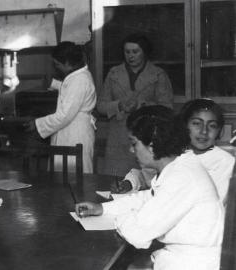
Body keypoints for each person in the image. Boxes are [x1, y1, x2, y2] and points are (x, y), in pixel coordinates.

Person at [76, 105, 224, 270]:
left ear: (152, 143)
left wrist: (123, 218)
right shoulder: (180, 165)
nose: (131, 150)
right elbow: (147, 198)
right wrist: (102, 209)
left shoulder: (182, 177)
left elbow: (137, 235)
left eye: (134, 143)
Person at [113, 99, 235, 205]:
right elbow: (148, 175)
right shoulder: (178, 152)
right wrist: (130, 182)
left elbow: (213, 202)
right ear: (183, 126)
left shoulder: (225, 162)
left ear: (219, 131)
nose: (204, 131)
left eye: (212, 126)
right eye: (196, 123)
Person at [96, 33, 173, 176]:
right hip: (117, 140)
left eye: (135, 52)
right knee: (116, 184)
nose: (130, 56)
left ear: (144, 52)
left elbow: (167, 108)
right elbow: (100, 105)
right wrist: (119, 105)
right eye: (127, 52)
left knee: (146, 184)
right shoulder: (114, 74)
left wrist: (143, 106)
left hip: (146, 139)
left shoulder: (158, 74)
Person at [24, 41, 96, 173]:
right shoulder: (77, 76)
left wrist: (37, 123)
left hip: (75, 135)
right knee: (65, 178)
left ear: (68, 63)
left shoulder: (80, 80)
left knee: (74, 179)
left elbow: (64, 115)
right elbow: (69, 91)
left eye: (57, 65)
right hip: (70, 132)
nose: (56, 68)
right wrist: (53, 83)